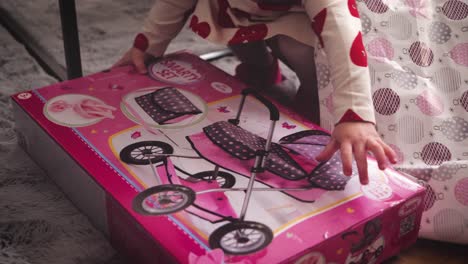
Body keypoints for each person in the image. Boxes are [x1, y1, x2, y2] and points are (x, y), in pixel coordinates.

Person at [114, 0, 397, 185]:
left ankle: (312, 94)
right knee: (229, 28)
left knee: (307, 52)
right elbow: (173, 3)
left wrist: (354, 114)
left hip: (303, 18)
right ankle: (261, 67)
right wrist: (147, 45)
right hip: (241, 11)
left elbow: (342, 32)